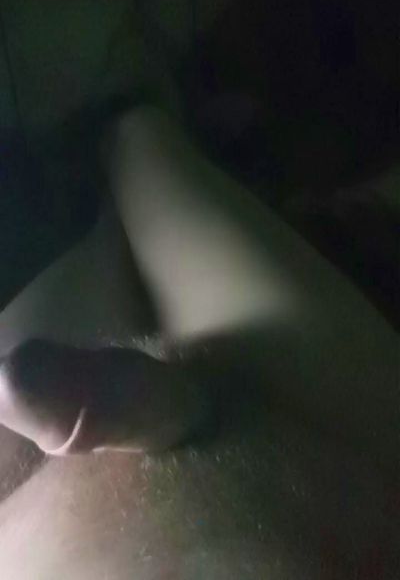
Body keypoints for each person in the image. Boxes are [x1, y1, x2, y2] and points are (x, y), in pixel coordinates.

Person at [0, 105, 397, 579]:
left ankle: (109, 173)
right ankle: (128, 128)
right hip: (327, 438)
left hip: (28, 499)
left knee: (106, 209)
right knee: (141, 145)